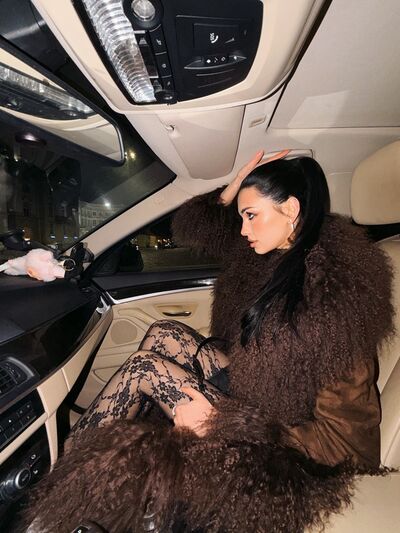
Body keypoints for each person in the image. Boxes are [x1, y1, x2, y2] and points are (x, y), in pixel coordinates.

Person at [24, 151, 394, 533]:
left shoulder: (335, 303)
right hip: (258, 393)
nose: (243, 230)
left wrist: (221, 423)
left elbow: (346, 443)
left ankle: (65, 492)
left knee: (144, 370)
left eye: (251, 215)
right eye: (241, 216)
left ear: (291, 209)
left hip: (280, 443)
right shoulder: (280, 255)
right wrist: (233, 189)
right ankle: (89, 472)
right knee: (163, 333)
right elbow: (200, 228)